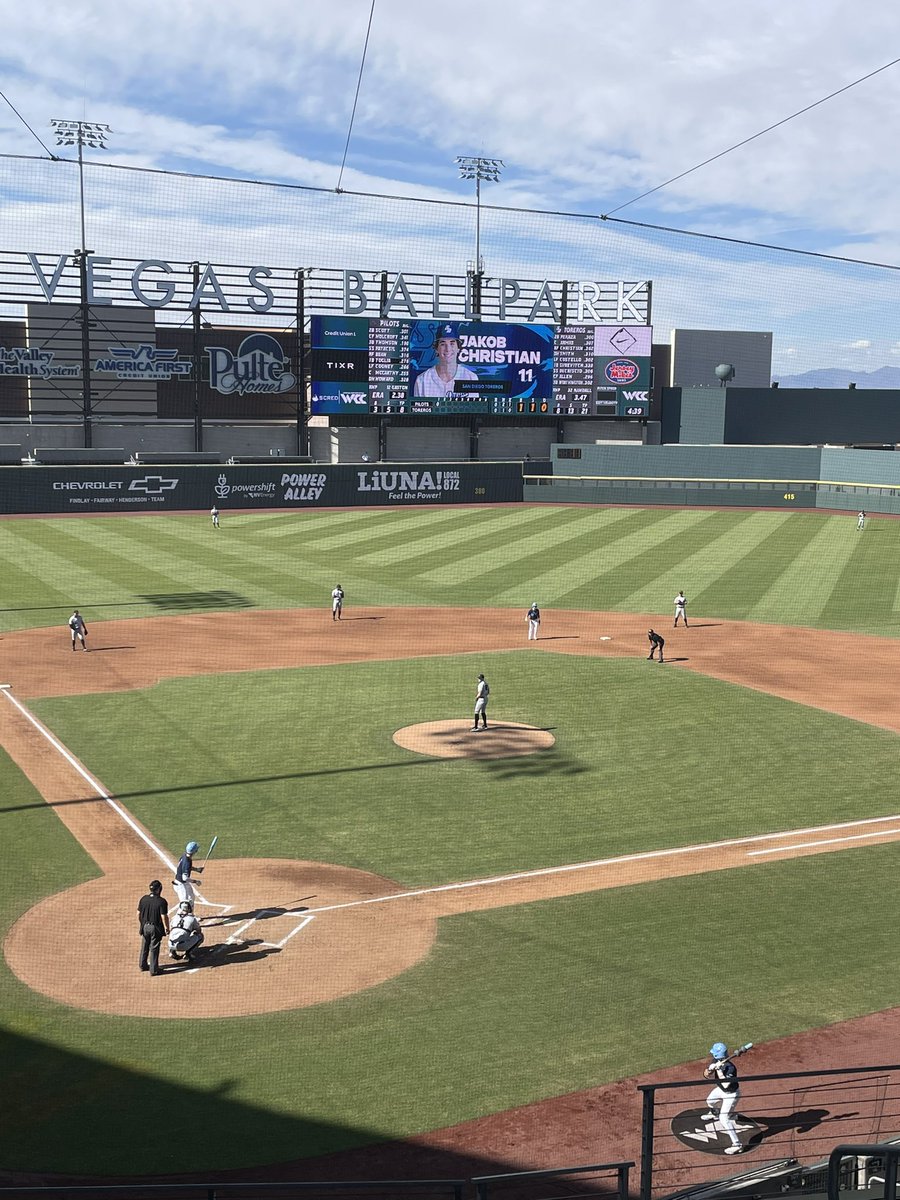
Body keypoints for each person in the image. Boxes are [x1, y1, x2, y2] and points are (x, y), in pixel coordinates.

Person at [413, 323, 478, 398]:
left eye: (452, 343)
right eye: (443, 344)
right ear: (436, 349)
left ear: (458, 348)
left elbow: (474, 409)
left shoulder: (470, 378)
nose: (448, 349)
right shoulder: (422, 380)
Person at [702, 1042, 744, 1154]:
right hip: (720, 1090)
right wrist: (711, 1069)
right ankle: (715, 1113)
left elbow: (726, 1084)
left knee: (724, 1119)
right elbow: (706, 1075)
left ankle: (737, 1145)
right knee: (710, 1101)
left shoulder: (731, 1068)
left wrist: (719, 1071)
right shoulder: (716, 1061)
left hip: (731, 1094)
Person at [137, 879, 170, 976]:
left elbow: (138, 914)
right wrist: (167, 928)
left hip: (144, 926)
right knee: (154, 948)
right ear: (159, 889)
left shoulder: (143, 899)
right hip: (155, 928)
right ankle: (154, 970)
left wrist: (142, 925)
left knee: (144, 946)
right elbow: (164, 916)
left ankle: (142, 965)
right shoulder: (162, 901)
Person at [173, 840, 204, 906]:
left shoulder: (185, 855)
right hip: (180, 885)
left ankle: (191, 915)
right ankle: (180, 916)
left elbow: (186, 867)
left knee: (191, 897)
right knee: (184, 904)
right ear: (195, 851)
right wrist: (196, 881)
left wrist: (196, 869)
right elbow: (185, 878)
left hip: (183, 883)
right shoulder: (187, 861)